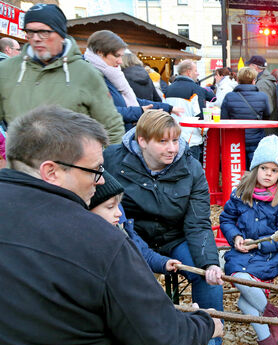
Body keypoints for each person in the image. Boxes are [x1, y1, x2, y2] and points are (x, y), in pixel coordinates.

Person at [0, 105, 223, 345]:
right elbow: (166, 343)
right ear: (51, 171)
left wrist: (206, 262)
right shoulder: (99, 239)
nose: (102, 181)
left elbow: (197, 224)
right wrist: (205, 325)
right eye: (94, 171)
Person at [103, 109, 225, 345]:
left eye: (175, 141)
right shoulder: (113, 160)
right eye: (163, 142)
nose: (172, 149)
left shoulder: (190, 168)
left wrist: (209, 262)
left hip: (176, 235)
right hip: (133, 236)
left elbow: (198, 222)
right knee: (129, 282)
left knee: (207, 278)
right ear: (142, 140)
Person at [219, 135, 278, 345]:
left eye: (274, 170)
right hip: (241, 254)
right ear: (255, 169)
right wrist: (235, 238)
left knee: (244, 300)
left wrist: (260, 245)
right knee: (236, 277)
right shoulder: (240, 193)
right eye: (264, 168)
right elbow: (226, 218)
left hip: (266, 257)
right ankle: (271, 320)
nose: (268, 174)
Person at [0, 4, 124, 144]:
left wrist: (93, 163)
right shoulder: (5, 70)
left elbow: (112, 128)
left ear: (60, 34)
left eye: (44, 32)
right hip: (20, 165)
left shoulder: (85, 73)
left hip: (71, 164)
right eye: (30, 32)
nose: (36, 38)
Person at [85, 30, 181, 132]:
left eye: (121, 56)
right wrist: (139, 111)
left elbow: (133, 101)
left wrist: (167, 108)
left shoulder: (110, 74)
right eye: (117, 56)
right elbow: (103, 112)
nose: (120, 61)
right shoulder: (88, 74)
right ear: (100, 52)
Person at [89, 170, 182, 275]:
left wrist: (164, 263)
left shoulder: (123, 229)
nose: (119, 213)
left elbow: (143, 253)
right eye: (110, 207)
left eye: (119, 206)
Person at [166, 60, 216, 162]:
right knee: (191, 172)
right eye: (196, 70)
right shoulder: (196, 90)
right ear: (189, 72)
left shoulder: (167, 89)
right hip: (191, 141)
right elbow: (201, 117)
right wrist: (203, 134)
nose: (198, 73)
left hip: (171, 139)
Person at [221, 66, 271, 166]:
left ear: (238, 80)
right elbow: (267, 115)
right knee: (254, 170)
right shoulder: (263, 96)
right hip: (256, 139)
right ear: (254, 80)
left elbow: (224, 120)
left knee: (237, 173)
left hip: (235, 141)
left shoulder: (229, 96)